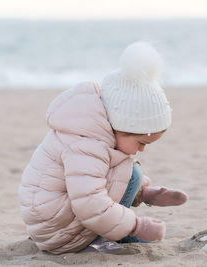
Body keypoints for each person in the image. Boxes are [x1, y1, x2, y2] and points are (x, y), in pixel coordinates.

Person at [18, 42, 188, 254]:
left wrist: (144, 194)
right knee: (131, 171)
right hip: (59, 232)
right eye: (141, 143)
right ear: (123, 128)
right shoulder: (87, 146)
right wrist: (137, 226)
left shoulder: (93, 132)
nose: (142, 150)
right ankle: (95, 242)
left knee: (128, 170)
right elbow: (90, 202)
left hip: (56, 220)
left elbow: (100, 179)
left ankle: (113, 231)